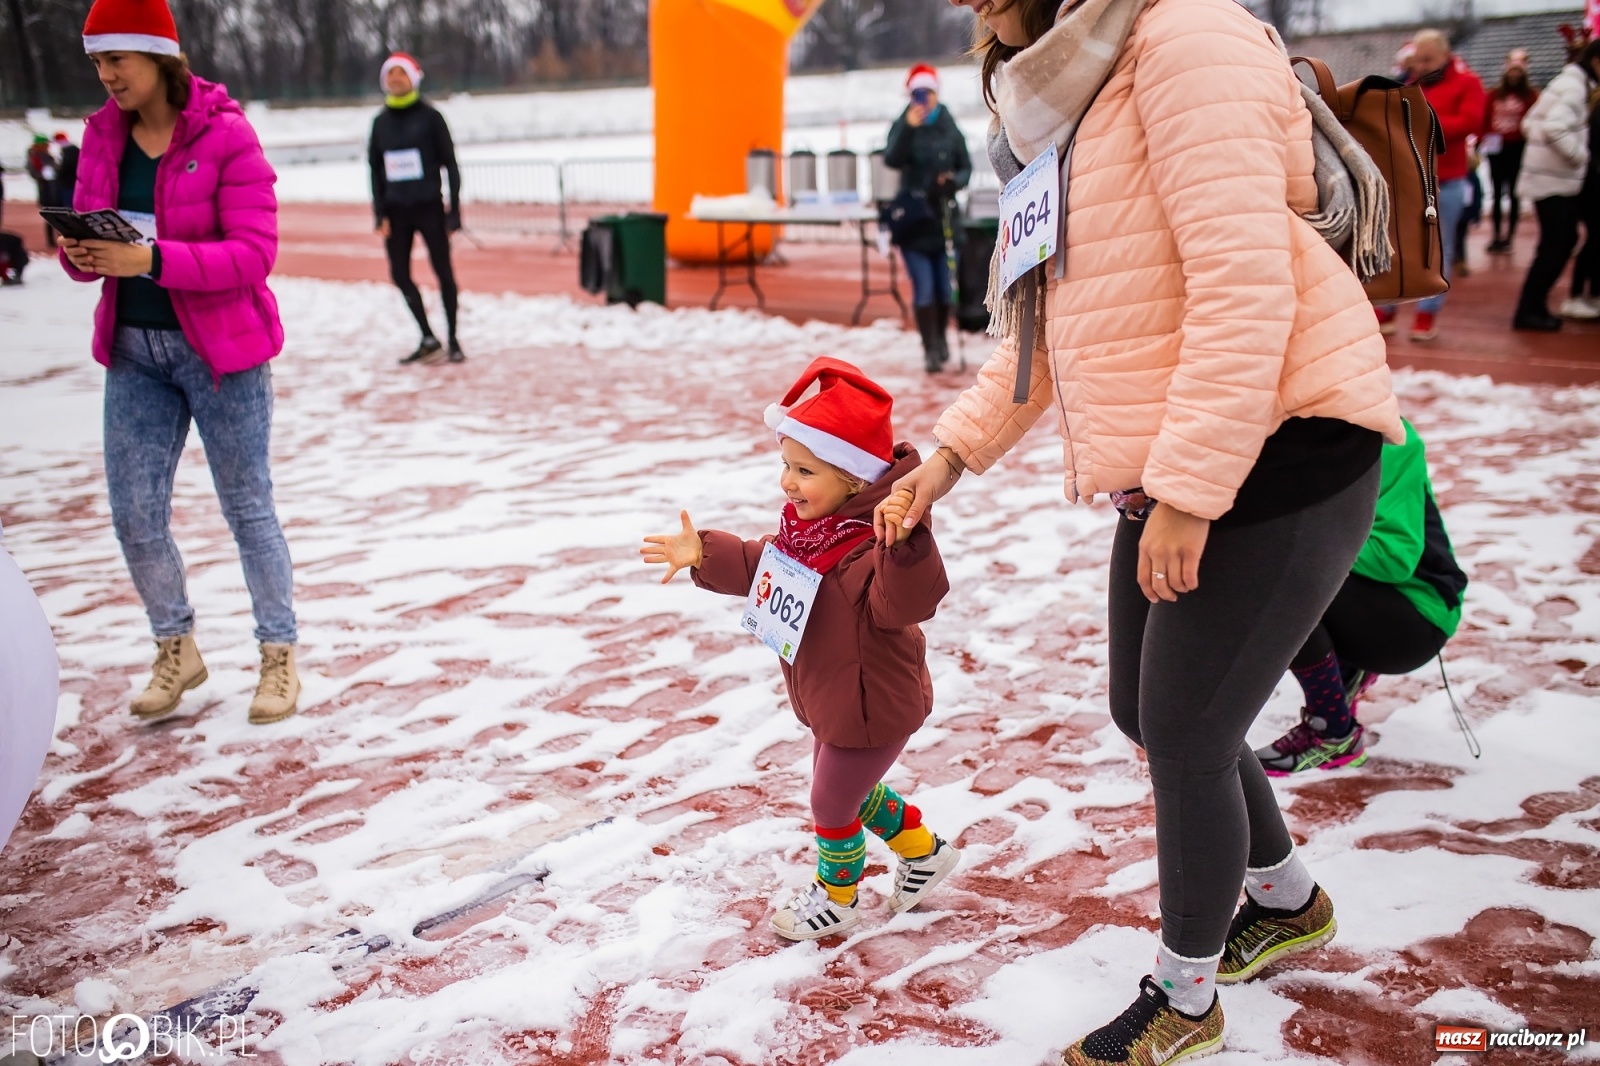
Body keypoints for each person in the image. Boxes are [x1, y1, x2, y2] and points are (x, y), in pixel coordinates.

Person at [887, 0, 1403, 1060]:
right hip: (1192, 456)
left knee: (1186, 731)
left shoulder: (1183, 38)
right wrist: (943, 462)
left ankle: (1184, 998)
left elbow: (1241, 280)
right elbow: (1040, 325)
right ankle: (1286, 899)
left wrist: (1189, 492)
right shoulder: (1056, 96)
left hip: (1281, 444)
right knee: (1148, 709)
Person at [641, 357, 961, 940]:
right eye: (786, 466)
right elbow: (763, 565)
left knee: (831, 801)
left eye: (805, 470)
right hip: (837, 698)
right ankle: (925, 852)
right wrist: (703, 552)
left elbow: (905, 602)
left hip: (873, 707)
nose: (788, 482)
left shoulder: (874, 549)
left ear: (855, 480)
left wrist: (907, 545)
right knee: (851, 792)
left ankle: (838, 897)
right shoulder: (808, 536)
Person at [57, 0, 301, 725]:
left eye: (116, 61)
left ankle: (279, 654)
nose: (106, 77)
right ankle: (176, 647)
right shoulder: (103, 138)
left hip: (222, 354)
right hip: (134, 350)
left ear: (157, 56)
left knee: (247, 508)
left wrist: (150, 258)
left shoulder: (226, 136)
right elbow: (90, 254)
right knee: (134, 514)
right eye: (97, 63)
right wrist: (82, 252)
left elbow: (254, 254)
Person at [1255, 420, 1467, 776]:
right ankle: (1347, 673)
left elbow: (1393, 557)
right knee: (1266, 562)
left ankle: (1333, 733)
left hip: (1415, 618)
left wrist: (1287, 537)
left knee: (1280, 579)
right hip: (1372, 601)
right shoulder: (1283, 426)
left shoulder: (1388, 436)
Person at [1375, 30, 1487, 343]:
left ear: (1445, 55)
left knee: (1438, 249)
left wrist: (1426, 123)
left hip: (1447, 180)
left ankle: (1427, 313)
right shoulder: (1410, 83)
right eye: (1418, 59)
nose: (1422, 65)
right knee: (1395, 244)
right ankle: (1386, 308)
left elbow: (1472, 122)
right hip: (1408, 177)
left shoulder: (1468, 82)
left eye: (1428, 60)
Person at [368, 52, 464, 365]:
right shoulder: (380, 123)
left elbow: (450, 164)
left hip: (429, 207)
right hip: (396, 212)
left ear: (413, 78)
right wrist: (379, 214)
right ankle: (426, 335)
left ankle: (453, 339)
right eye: (390, 74)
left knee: (443, 272)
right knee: (399, 273)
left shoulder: (431, 117)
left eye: (401, 73)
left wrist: (455, 210)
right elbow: (376, 170)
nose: (395, 79)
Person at [883, 64, 972, 373]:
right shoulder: (903, 123)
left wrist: (953, 180)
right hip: (915, 222)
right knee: (924, 288)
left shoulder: (948, 122)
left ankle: (943, 337)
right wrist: (907, 127)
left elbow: (966, 167)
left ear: (937, 93)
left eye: (928, 93)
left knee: (946, 288)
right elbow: (891, 158)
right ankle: (930, 348)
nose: (924, 100)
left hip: (945, 219)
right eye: (917, 94)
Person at [1512, 39, 1599, 332]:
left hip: (1548, 177)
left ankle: (1532, 307)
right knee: (1557, 244)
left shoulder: (1570, 83)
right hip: (1554, 181)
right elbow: (1553, 126)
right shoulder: (1574, 88)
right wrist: (1580, 156)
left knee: (1559, 243)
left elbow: (1531, 123)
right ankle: (1529, 309)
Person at [1482, 50, 1538, 254]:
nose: (1514, 76)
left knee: (1514, 193)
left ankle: (1509, 237)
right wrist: (1482, 140)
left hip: (1517, 146)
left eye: (1518, 72)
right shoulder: (1494, 94)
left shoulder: (1531, 95)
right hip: (1496, 147)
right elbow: (1485, 118)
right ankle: (1496, 235)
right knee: (1496, 192)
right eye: (1511, 72)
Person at [1558, 61, 1600, 319]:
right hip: (1592, 181)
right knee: (1594, 238)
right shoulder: (1588, 102)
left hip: (1589, 177)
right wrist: (1579, 158)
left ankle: (1589, 293)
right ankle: (1582, 294)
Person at [25, 134, 59, 247]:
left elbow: (56, 168)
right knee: (49, 215)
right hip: (45, 189)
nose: (47, 146)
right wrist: (43, 176)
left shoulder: (48, 156)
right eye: (45, 144)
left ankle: (59, 237)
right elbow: (33, 172)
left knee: (59, 214)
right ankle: (51, 241)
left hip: (54, 188)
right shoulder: (34, 158)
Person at [53, 131, 82, 211]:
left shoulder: (69, 151)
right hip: (72, 181)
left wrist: (59, 174)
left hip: (69, 182)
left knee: (69, 205)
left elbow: (66, 166)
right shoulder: (73, 150)